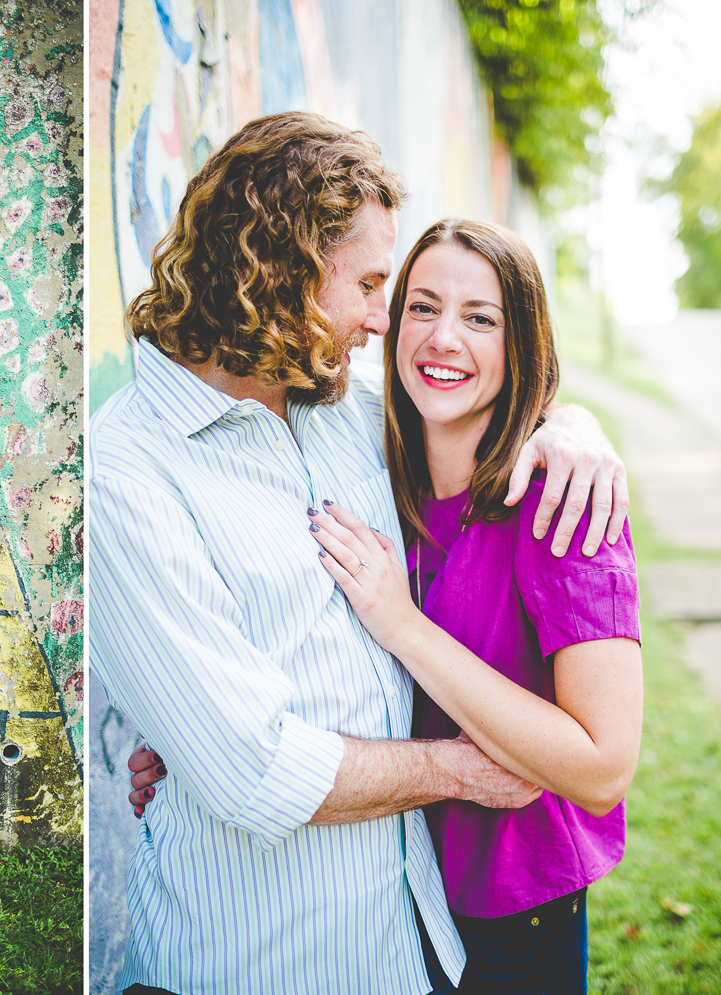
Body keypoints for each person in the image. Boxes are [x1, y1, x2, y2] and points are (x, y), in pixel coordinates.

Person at [89, 112, 628, 995]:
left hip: (412, 947)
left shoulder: (342, 412)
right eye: (374, 283)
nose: (385, 320)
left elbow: (485, 392)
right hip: (256, 962)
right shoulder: (131, 463)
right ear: (280, 267)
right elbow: (252, 768)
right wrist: (461, 768)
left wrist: (575, 428)